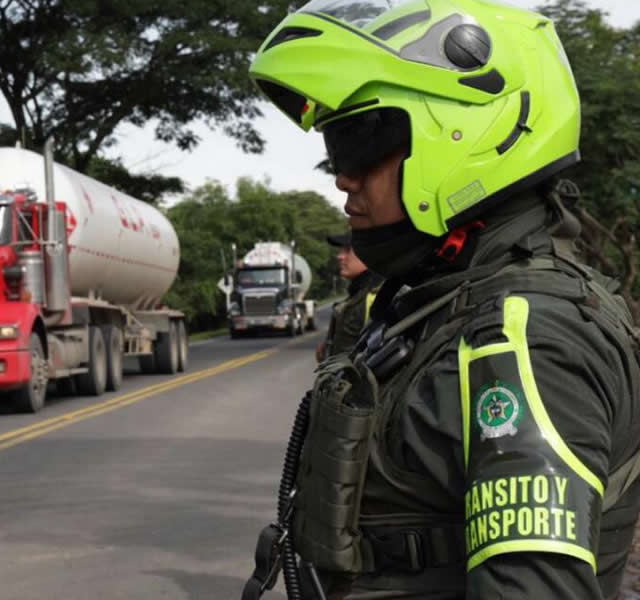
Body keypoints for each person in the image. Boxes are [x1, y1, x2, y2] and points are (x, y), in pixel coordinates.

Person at [240, 1, 640, 598]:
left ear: (465, 136)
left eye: (358, 143)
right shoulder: (440, 305)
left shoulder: (524, 336)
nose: (342, 177)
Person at [317, 231, 383, 362]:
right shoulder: (357, 294)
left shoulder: (375, 298)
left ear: (367, 252)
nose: (340, 256)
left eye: (347, 250)